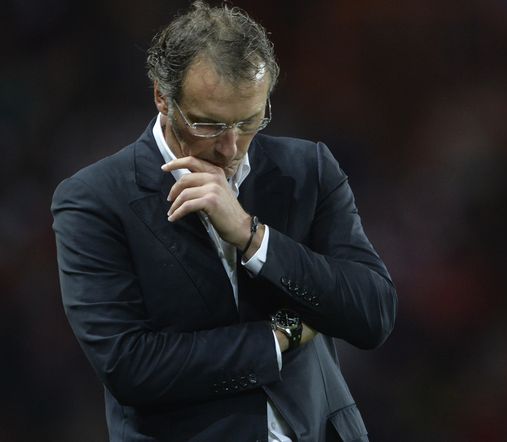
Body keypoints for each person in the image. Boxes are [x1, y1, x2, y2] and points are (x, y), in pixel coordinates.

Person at [51, 2, 397, 441]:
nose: (232, 148)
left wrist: (256, 240)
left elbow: (373, 313)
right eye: (208, 125)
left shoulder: (308, 169)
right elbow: (130, 366)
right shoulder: (94, 199)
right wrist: (281, 336)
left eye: (249, 121)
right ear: (162, 95)